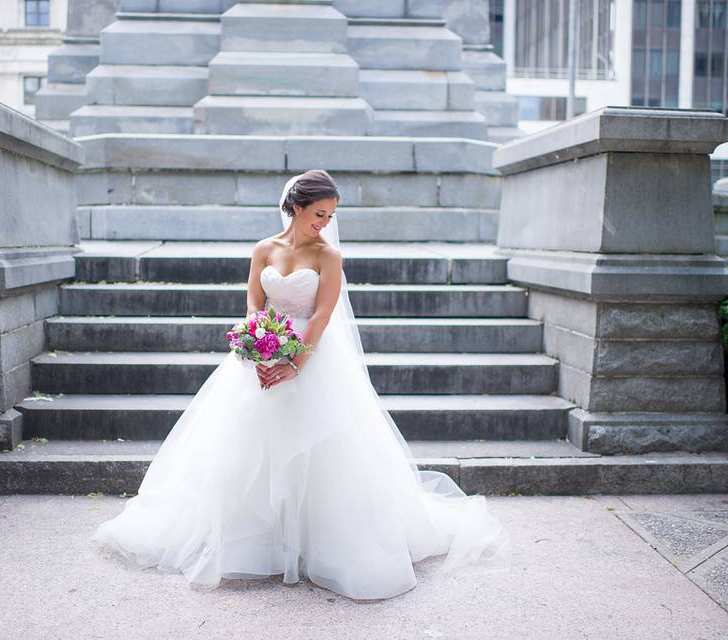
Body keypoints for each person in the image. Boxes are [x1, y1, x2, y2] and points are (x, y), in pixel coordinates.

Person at [90, 169, 512, 601]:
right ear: (295, 207)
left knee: (318, 452)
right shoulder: (263, 249)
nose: (325, 223)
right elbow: (255, 299)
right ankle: (258, 543)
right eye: (318, 213)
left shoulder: (328, 256)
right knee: (247, 447)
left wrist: (296, 363)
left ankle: (319, 543)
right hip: (262, 352)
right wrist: (257, 337)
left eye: (330, 215)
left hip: (312, 356)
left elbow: (324, 316)